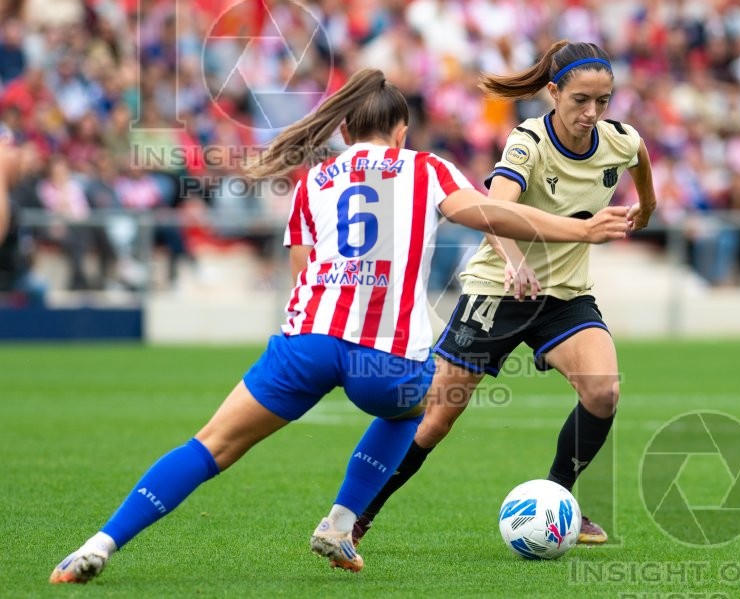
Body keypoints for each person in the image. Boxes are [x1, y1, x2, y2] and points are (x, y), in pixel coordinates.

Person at [48, 68, 633, 583]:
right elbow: (498, 213)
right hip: (387, 356)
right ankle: (342, 520)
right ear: (401, 131)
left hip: (306, 344)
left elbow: (302, 271)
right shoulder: (426, 169)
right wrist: (581, 230)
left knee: (210, 446)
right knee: (415, 406)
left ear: (345, 132)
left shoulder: (313, 183)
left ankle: (98, 544)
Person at [350, 41, 657, 547]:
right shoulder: (527, 143)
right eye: (581, 100)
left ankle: (561, 500)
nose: (592, 113)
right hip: (498, 290)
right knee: (435, 420)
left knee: (603, 392)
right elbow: (494, 210)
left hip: (565, 296)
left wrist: (646, 206)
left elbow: (640, 156)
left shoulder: (619, 141)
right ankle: (358, 516)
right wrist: (515, 263)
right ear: (554, 92)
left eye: (603, 101)